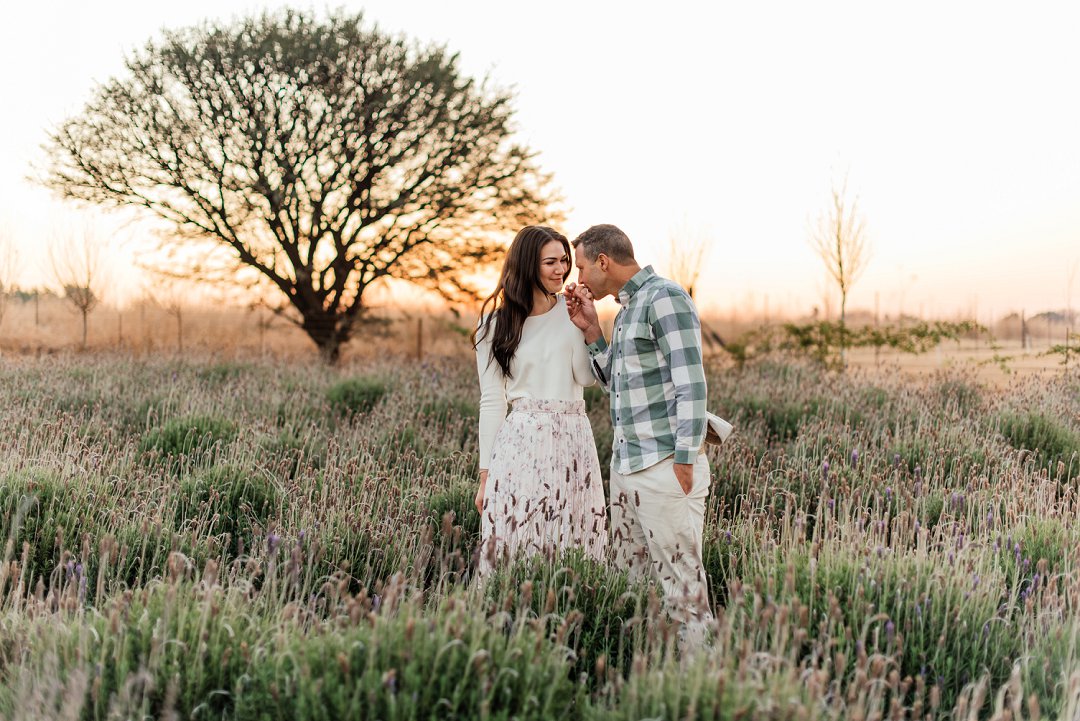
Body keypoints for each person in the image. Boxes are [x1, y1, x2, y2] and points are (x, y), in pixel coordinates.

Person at [564, 223, 713, 648]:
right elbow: (620, 382)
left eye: (581, 267)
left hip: (664, 467)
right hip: (628, 467)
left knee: (682, 590)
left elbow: (692, 384)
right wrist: (593, 330)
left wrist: (684, 460)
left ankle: (703, 689)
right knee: (634, 587)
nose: (578, 279)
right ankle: (653, 680)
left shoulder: (664, 298)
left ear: (604, 262)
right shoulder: (628, 308)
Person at [472, 225, 607, 576]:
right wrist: (486, 475)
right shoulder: (492, 326)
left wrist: (585, 324)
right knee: (516, 538)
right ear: (528, 264)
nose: (561, 270)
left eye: (565, 261)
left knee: (574, 539)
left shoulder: (570, 309)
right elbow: (491, 402)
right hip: (520, 444)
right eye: (551, 262)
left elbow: (586, 377)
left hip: (573, 440)